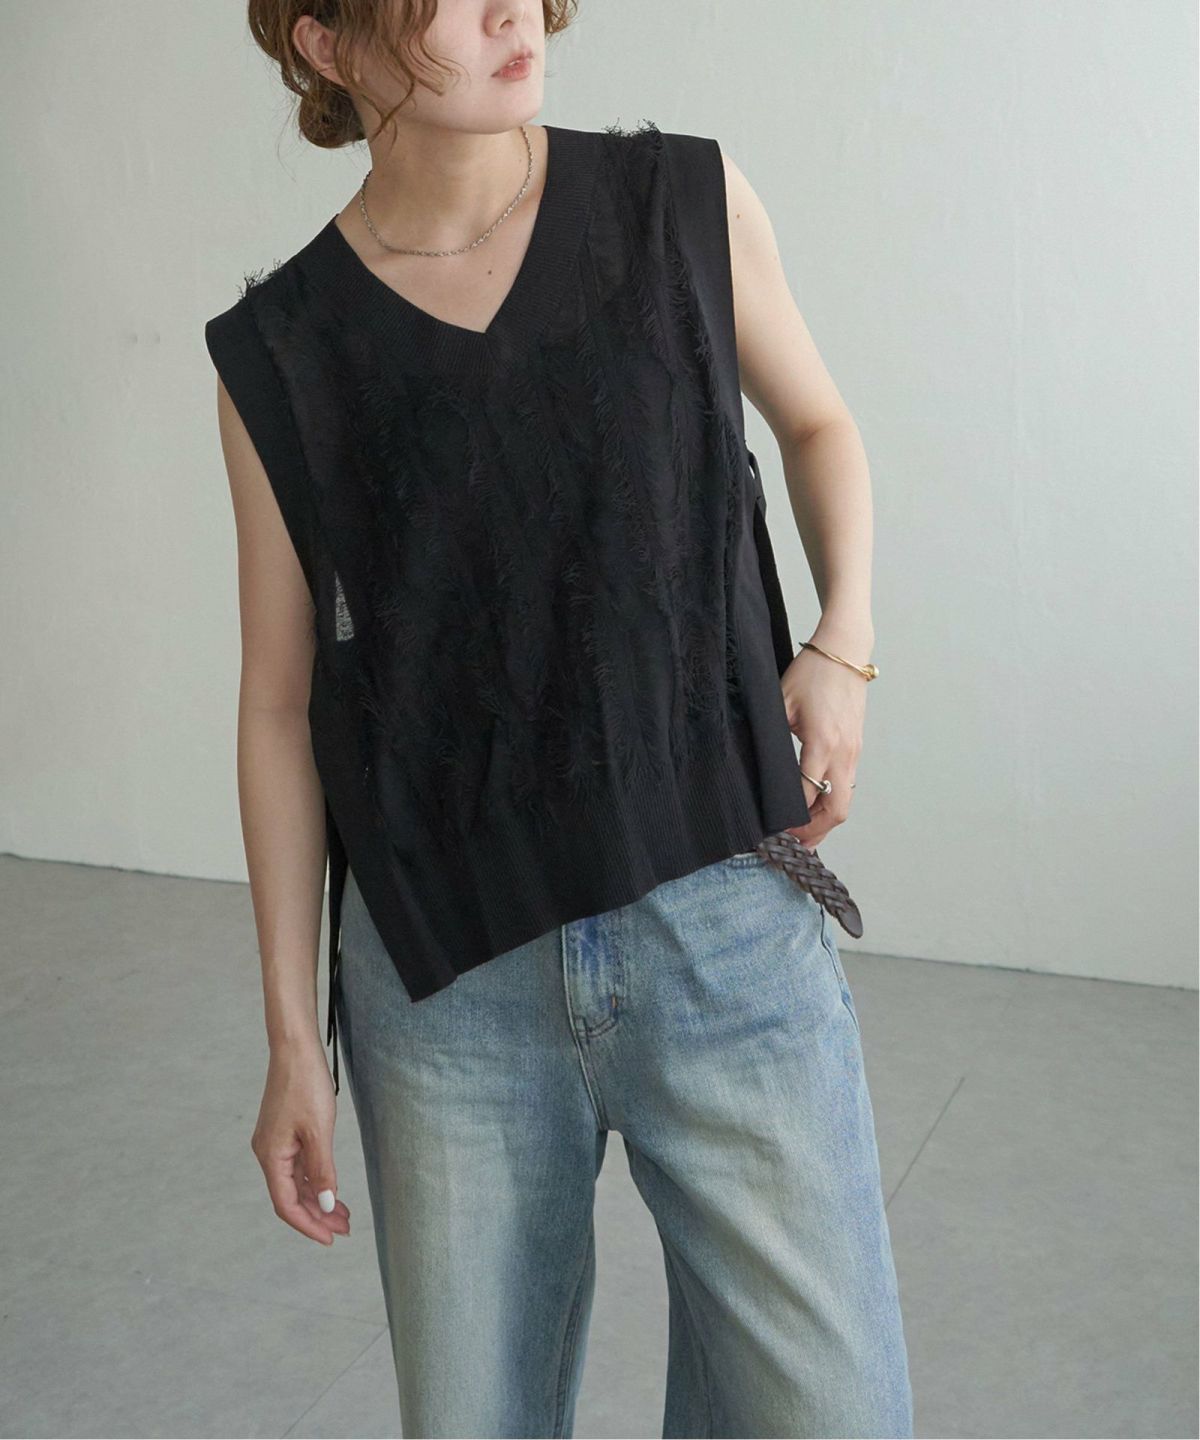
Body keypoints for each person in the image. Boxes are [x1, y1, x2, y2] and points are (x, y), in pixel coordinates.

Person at [204, 2, 913, 1435]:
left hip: (724, 926)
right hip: (448, 996)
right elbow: (280, 706)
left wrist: (843, 646)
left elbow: (820, 424)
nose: (508, 11)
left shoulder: (680, 202)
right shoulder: (281, 348)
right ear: (328, 45)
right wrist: (294, 1042)